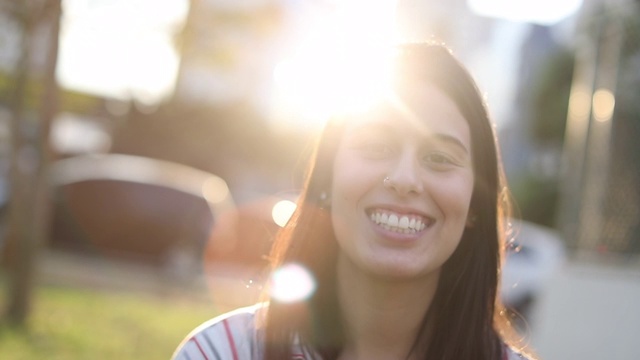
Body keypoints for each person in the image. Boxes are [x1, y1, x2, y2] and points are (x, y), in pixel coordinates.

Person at [172, 42, 536, 360]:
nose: (405, 180)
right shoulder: (218, 353)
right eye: (376, 146)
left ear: (475, 202)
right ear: (328, 179)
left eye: (440, 158)